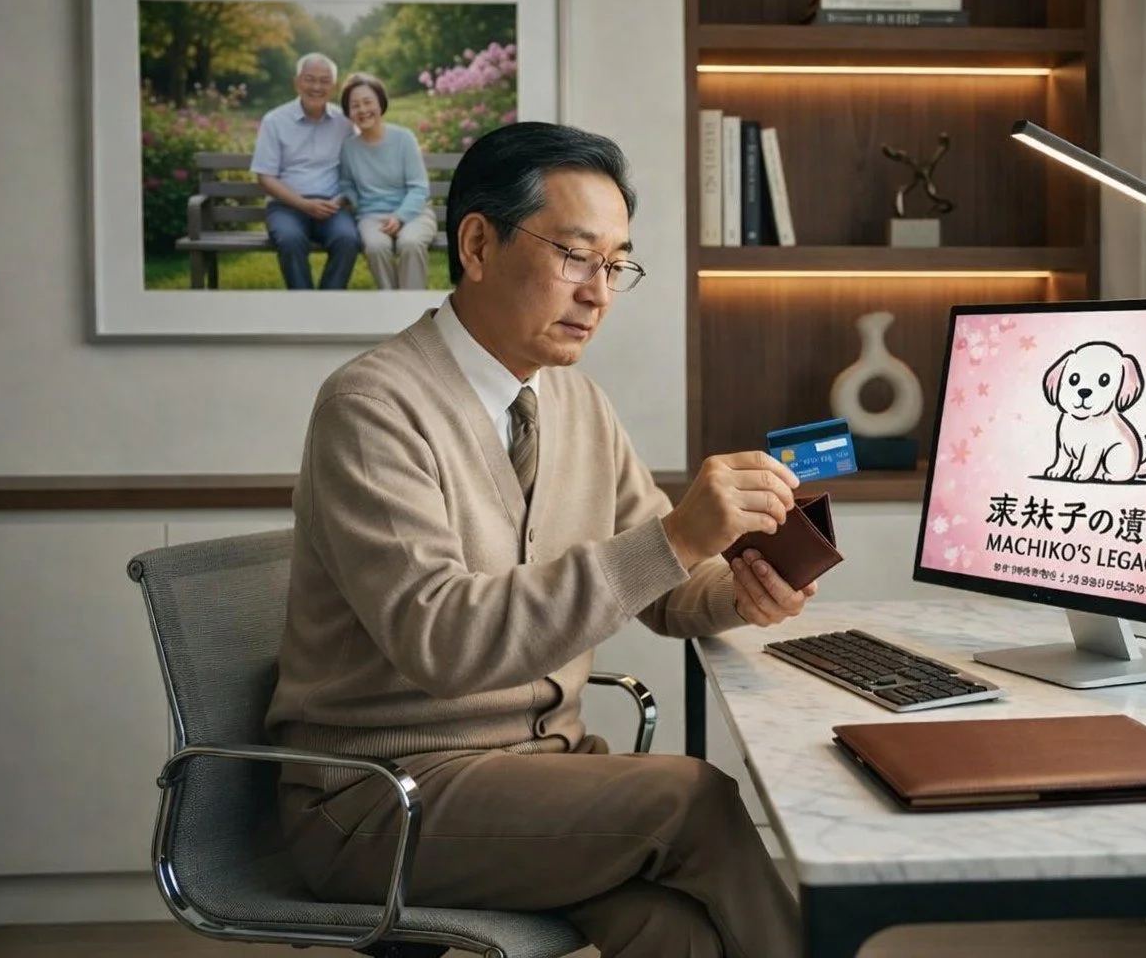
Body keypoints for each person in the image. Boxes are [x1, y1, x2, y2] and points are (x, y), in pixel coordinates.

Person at [266, 121, 808, 958]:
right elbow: (443, 641)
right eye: (577, 257)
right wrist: (677, 536)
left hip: (538, 778)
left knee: (678, 930)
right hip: (380, 799)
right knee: (692, 801)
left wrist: (742, 588)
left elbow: (665, 589)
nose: (600, 293)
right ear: (478, 245)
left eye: (617, 265)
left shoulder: (576, 402)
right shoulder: (372, 407)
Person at [249, 53, 360, 290]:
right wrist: (303, 204)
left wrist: (340, 200)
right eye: (310, 79)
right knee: (290, 240)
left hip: (332, 206)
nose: (316, 87)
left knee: (347, 239)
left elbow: (356, 171)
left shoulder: (345, 122)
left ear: (334, 86)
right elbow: (265, 177)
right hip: (286, 206)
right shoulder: (275, 121)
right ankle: (303, 304)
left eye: (324, 81)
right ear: (297, 82)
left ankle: (328, 303)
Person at [336, 72, 437, 290]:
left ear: (380, 103)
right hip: (371, 215)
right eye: (355, 105)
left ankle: (412, 304)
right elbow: (346, 183)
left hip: (414, 212)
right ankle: (391, 302)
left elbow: (419, 187)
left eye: (367, 102)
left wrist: (400, 216)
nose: (362, 110)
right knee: (375, 246)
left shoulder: (404, 138)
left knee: (410, 243)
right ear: (348, 112)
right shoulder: (349, 147)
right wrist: (353, 201)